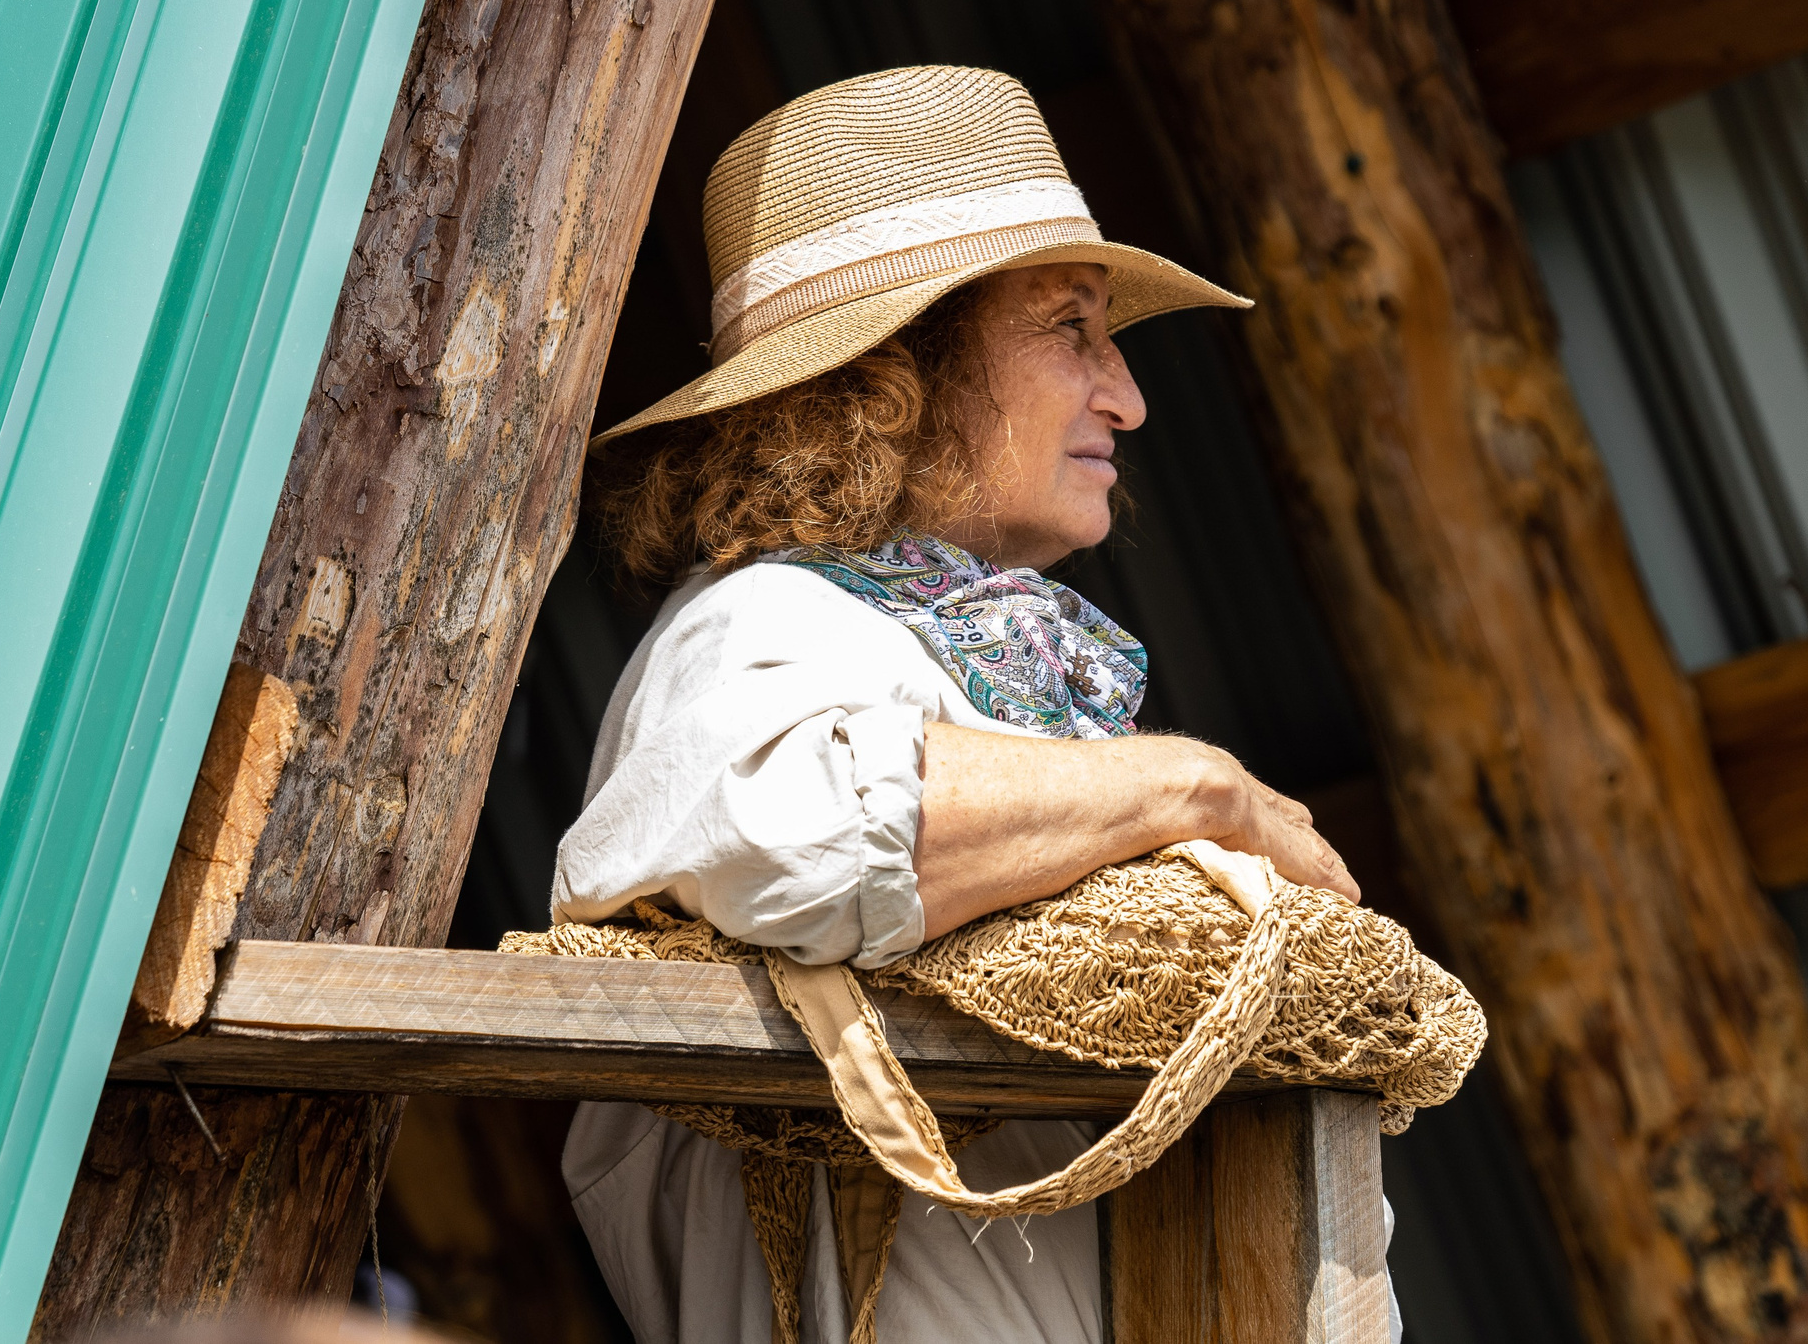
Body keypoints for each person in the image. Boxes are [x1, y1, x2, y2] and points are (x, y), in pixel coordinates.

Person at [554, 66, 1362, 1343]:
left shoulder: (970, 653)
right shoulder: (759, 628)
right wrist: (1187, 789)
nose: (1126, 395)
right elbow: (792, 834)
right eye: (1067, 329)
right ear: (897, 371)